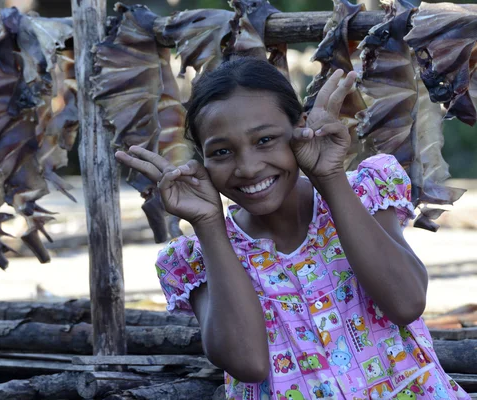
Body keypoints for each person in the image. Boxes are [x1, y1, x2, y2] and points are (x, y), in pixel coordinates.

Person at [115, 58, 469, 400]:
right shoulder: (196, 258)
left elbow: (406, 303)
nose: (249, 167)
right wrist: (207, 224)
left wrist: (328, 176)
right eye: (222, 152)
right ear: (202, 162)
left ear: (299, 128)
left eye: (265, 140)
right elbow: (248, 363)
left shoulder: (363, 193)